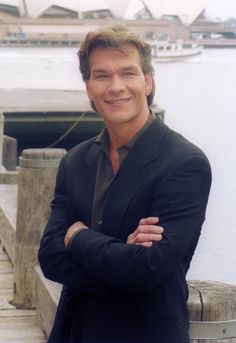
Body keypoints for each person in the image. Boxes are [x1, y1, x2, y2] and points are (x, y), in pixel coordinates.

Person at [38, 24, 212, 343]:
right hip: (74, 331)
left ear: (147, 82)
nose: (116, 86)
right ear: (89, 86)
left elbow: (145, 271)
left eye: (128, 73)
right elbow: (49, 257)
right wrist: (121, 258)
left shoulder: (185, 164)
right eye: (102, 75)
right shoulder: (75, 161)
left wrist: (77, 236)